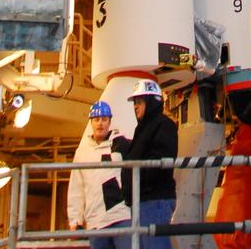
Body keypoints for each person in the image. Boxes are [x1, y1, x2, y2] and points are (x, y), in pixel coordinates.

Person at [120, 79, 178, 249]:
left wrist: (140, 184)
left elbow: (161, 160)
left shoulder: (163, 125)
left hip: (154, 200)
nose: (135, 107)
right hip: (143, 201)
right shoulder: (144, 129)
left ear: (151, 101)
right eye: (134, 103)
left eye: (139, 102)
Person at [68, 100, 131, 249]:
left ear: (110, 121)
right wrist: (75, 220)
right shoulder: (82, 152)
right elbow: (76, 188)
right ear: (91, 122)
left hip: (121, 215)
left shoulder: (120, 144)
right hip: (95, 221)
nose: (100, 123)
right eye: (96, 119)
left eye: (104, 119)